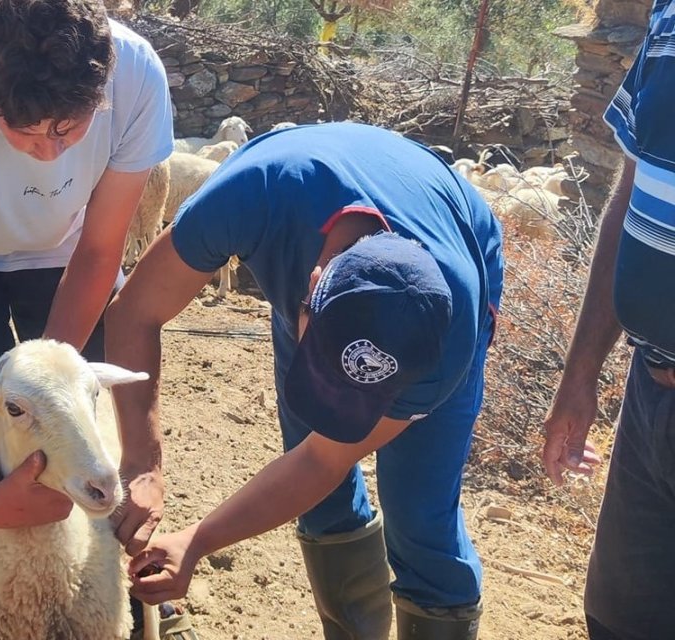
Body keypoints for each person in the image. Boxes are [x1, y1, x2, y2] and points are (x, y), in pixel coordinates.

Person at [107, 122, 505, 640]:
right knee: (322, 497)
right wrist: (142, 463)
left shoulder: (446, 334)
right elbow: (133, 314)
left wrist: (199, 540)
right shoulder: (252, 197)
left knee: (420, 512)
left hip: (446, 255)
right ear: (311, 287)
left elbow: (323, 458)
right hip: (307, 215)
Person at [0, 0, 193, 635]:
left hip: (71, 249)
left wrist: (51, 389)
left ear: (99, 85)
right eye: (20, 129)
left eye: (70, 128)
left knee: (71, 406)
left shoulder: (133, 77)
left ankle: (124, 583)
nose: (48, 154)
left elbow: (103, 249)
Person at [541, 1, 675, 637]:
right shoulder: (669, 20)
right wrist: (581, 374)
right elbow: (632, 192)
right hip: (650, 396)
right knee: (619, 620)